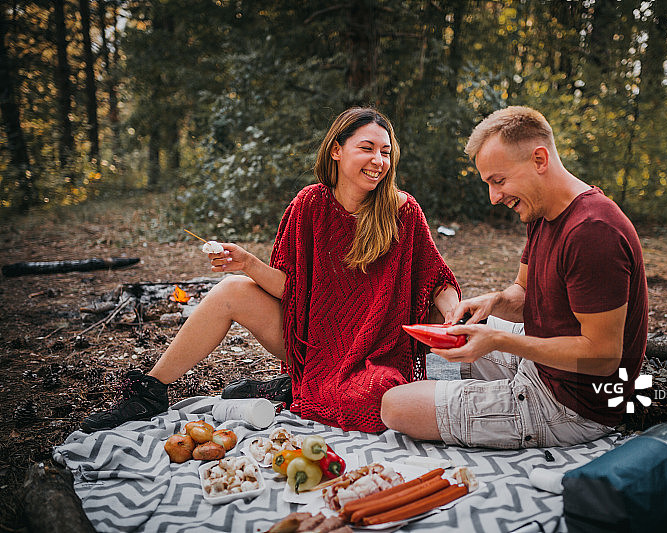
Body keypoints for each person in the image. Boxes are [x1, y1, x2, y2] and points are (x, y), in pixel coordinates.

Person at [81, 107, 459, 434]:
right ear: (337, 150)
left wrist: (456, 310)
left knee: (379, 397)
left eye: (385, 152)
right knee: (231, 289)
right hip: (314, 341)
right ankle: (149, 392)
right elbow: (290, 289)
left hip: (374, 350)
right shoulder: (309, 204)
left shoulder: (402, 210)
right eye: (367, 148)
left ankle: (294, 389)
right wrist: (246, 263)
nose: (378, 160)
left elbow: (436, 278)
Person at [380, 106, 648, 448]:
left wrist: (500, 341)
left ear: (539, 159)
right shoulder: (542, 210)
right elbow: (523, 294)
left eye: (499, 181)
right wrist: (493, 302)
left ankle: (478, 395)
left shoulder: (593, 232)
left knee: (394, 405)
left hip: (574, 407)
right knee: (443, 331)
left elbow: (603, 357)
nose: (494, 197)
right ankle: (469, 390)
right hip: (543, 365)